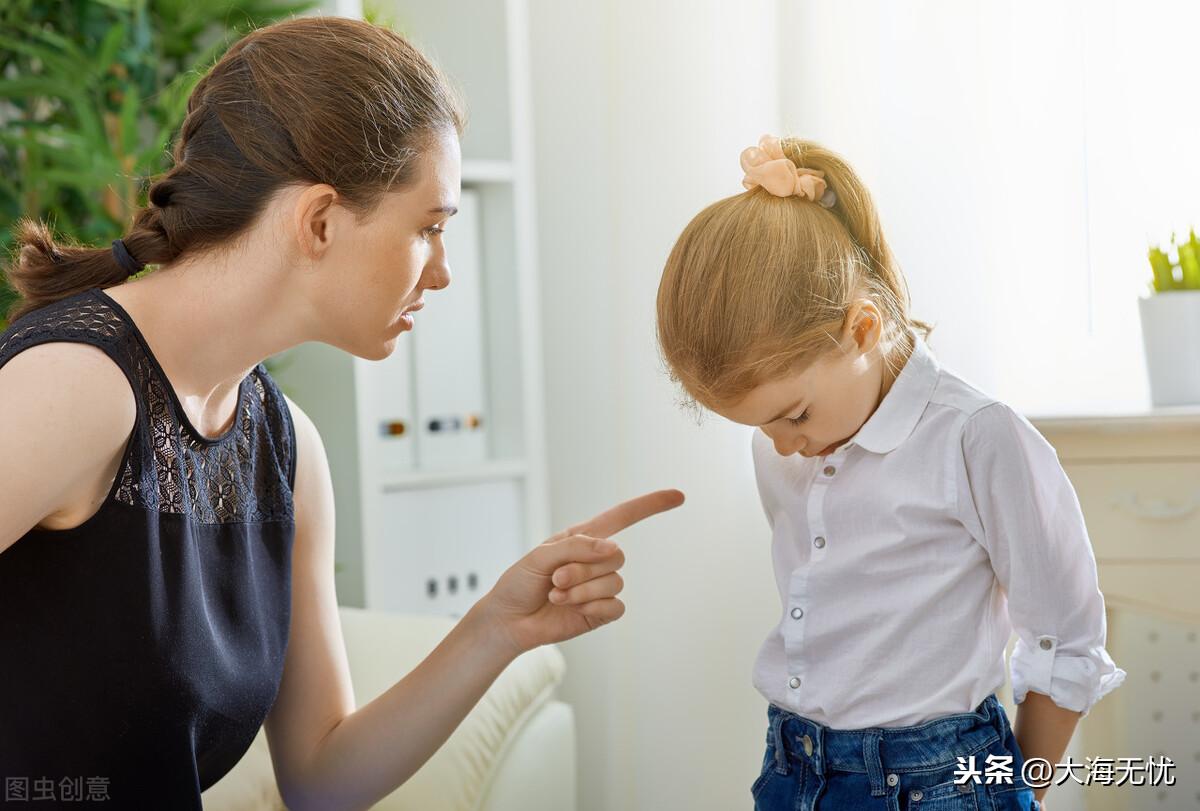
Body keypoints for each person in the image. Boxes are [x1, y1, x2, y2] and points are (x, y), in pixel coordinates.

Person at [0, 16, 683, 810]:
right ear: (319, 220)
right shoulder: (80, 384)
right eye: (429, 228)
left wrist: (496, 626)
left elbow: (322, 778)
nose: (445, 272)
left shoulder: (289, 451)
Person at [655, 134, 1125, 810]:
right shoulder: (787, 449)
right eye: (761, 428)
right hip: (793, 766)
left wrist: (1018, 793)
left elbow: (1066, 635)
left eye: (793, 415)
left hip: (938, 779)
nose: (784, 446)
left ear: (863, 329)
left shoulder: (975, 437)